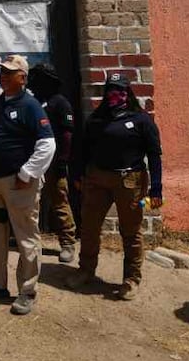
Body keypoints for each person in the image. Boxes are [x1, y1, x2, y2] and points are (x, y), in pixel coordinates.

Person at [0, 54, 56, 315]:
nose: (3, 76)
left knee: (26, 237)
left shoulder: (31, 106)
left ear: (23, 78)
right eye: (2, 72)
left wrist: (27, 173)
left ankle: (27, 292)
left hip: (19, 186)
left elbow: (47, 144)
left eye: (9, 72)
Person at [68, 72, 163, 300]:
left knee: (131, 231)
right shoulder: (96, 119)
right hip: (96, 179)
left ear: (127, 92)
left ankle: (131, 279)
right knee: (89, 227)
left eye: (119, 90)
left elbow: (155, 154)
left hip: (131, 182)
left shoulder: (141, 120)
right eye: (110, 89)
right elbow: (82, 150)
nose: (114, 94)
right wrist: (79, 175)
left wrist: (157, 188)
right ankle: (86, 270)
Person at [28, 62, 78, 263]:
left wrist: (63, 161)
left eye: (36, 79)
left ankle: (68, 243)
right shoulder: (32, 103)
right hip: (34, 163)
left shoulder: (60, 103)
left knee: (59, 202)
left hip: (54, 163)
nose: (31, 84)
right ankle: (31, 242)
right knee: (30, 203)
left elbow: (67, 135)